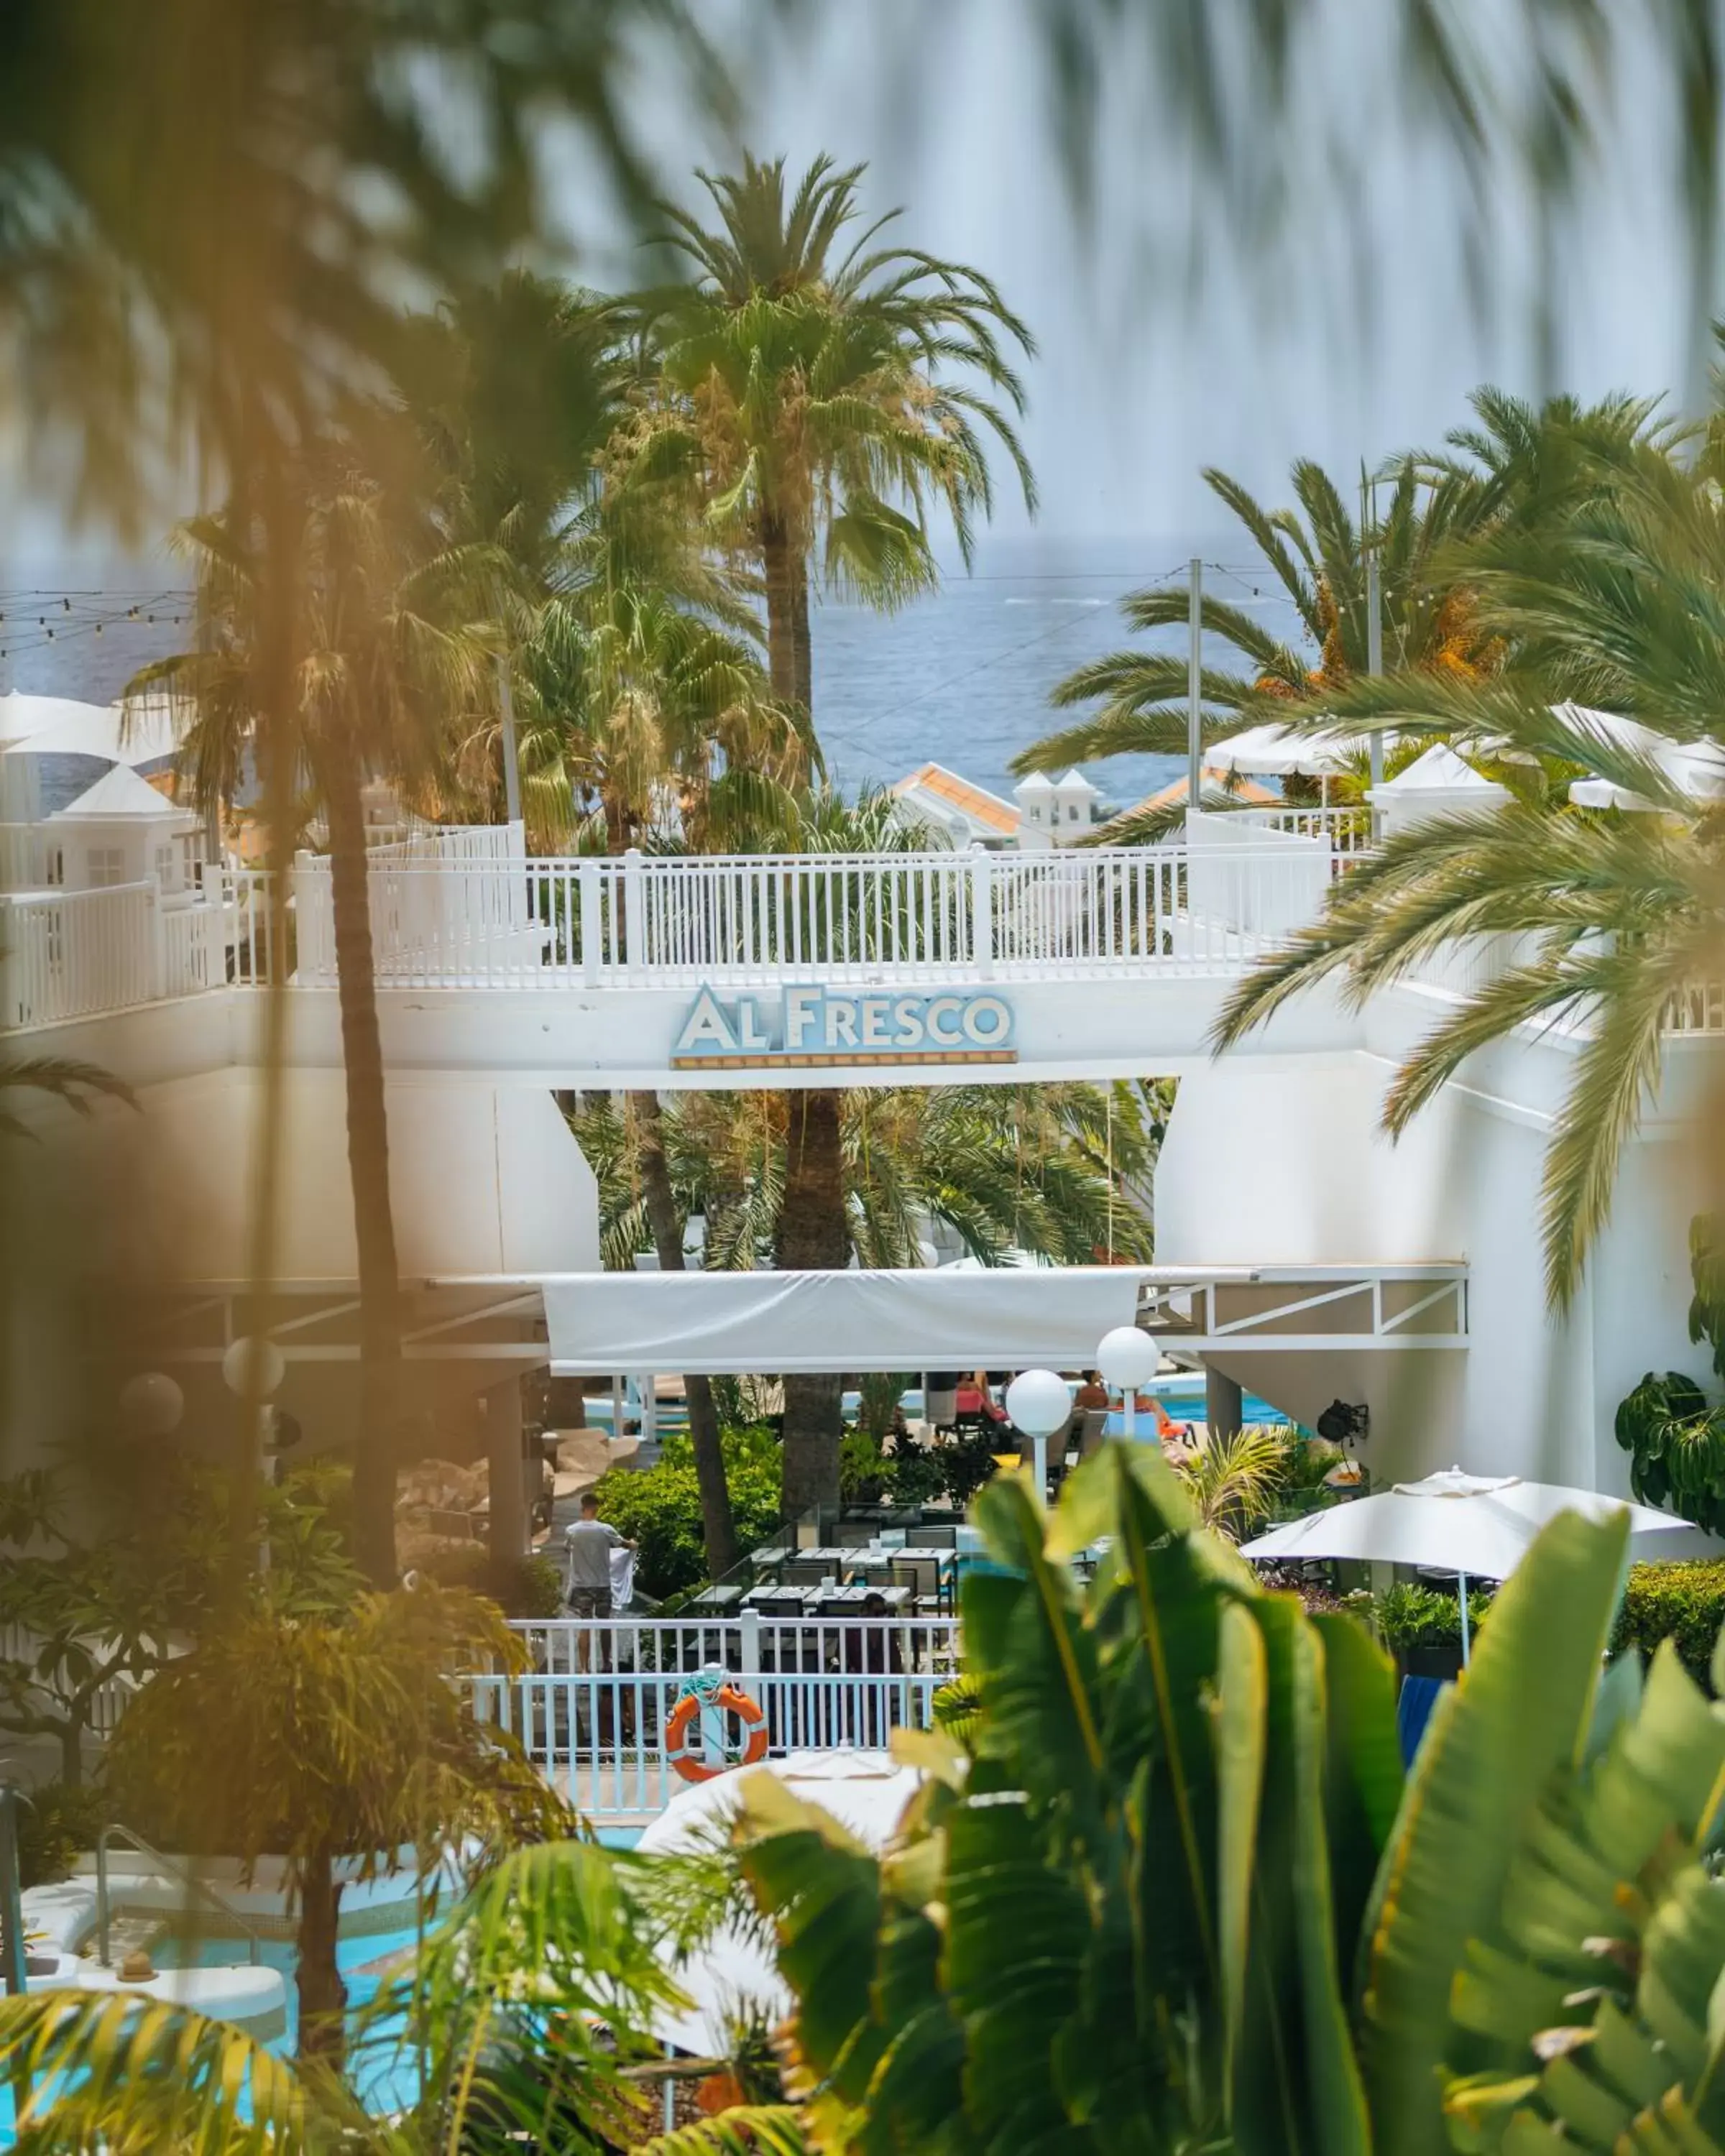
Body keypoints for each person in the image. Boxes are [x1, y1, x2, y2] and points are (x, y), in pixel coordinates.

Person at [564, 1492, 634, 1672]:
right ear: (596, 1509)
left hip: (581, 1586)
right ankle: (605, 1662)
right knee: (605, 1624)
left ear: (582, 1508)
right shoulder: (605, 1530)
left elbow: (566, 1548)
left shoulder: (572, 1530)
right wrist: (633, 1544)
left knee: (585, 1624)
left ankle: (584, 1668)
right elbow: (623, 1544)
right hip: (602, 1584)